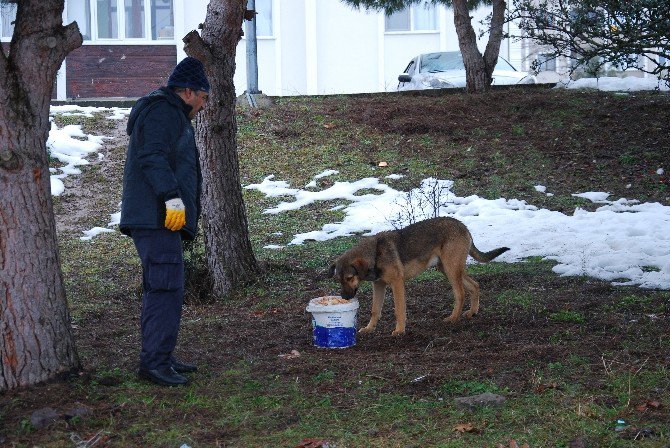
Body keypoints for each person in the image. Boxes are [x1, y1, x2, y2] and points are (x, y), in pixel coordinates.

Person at [120, 57, 210, 386]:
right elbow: (152, 156)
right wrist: (172, 197)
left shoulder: (170, 113)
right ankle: (154, 363)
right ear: (187, 92)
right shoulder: (161, 111)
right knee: (163, 288)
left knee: (168, 288)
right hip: (155, 217)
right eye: (203, 96)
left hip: (160, 218)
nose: (203, 104)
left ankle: (162, 356)